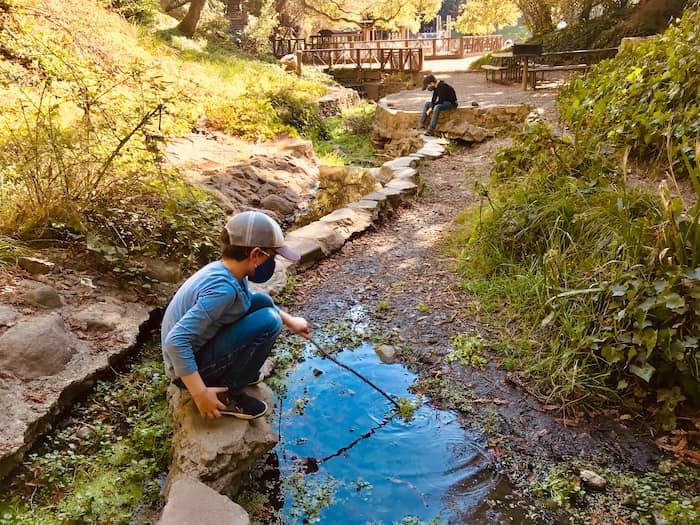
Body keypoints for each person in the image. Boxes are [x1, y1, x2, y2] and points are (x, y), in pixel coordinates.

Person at [161, 210, 310, 420]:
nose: (272, 262)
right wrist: (200, 393)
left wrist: (291, 322)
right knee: (270, 321)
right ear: (256, 254)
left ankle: (241, 373)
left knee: (263, 302)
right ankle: (228, 391)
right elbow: (176, 342)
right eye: (272, 256)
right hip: (186, 370)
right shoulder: (223, 290)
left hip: (201, 348)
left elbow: (249, 299)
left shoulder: (227, 271)